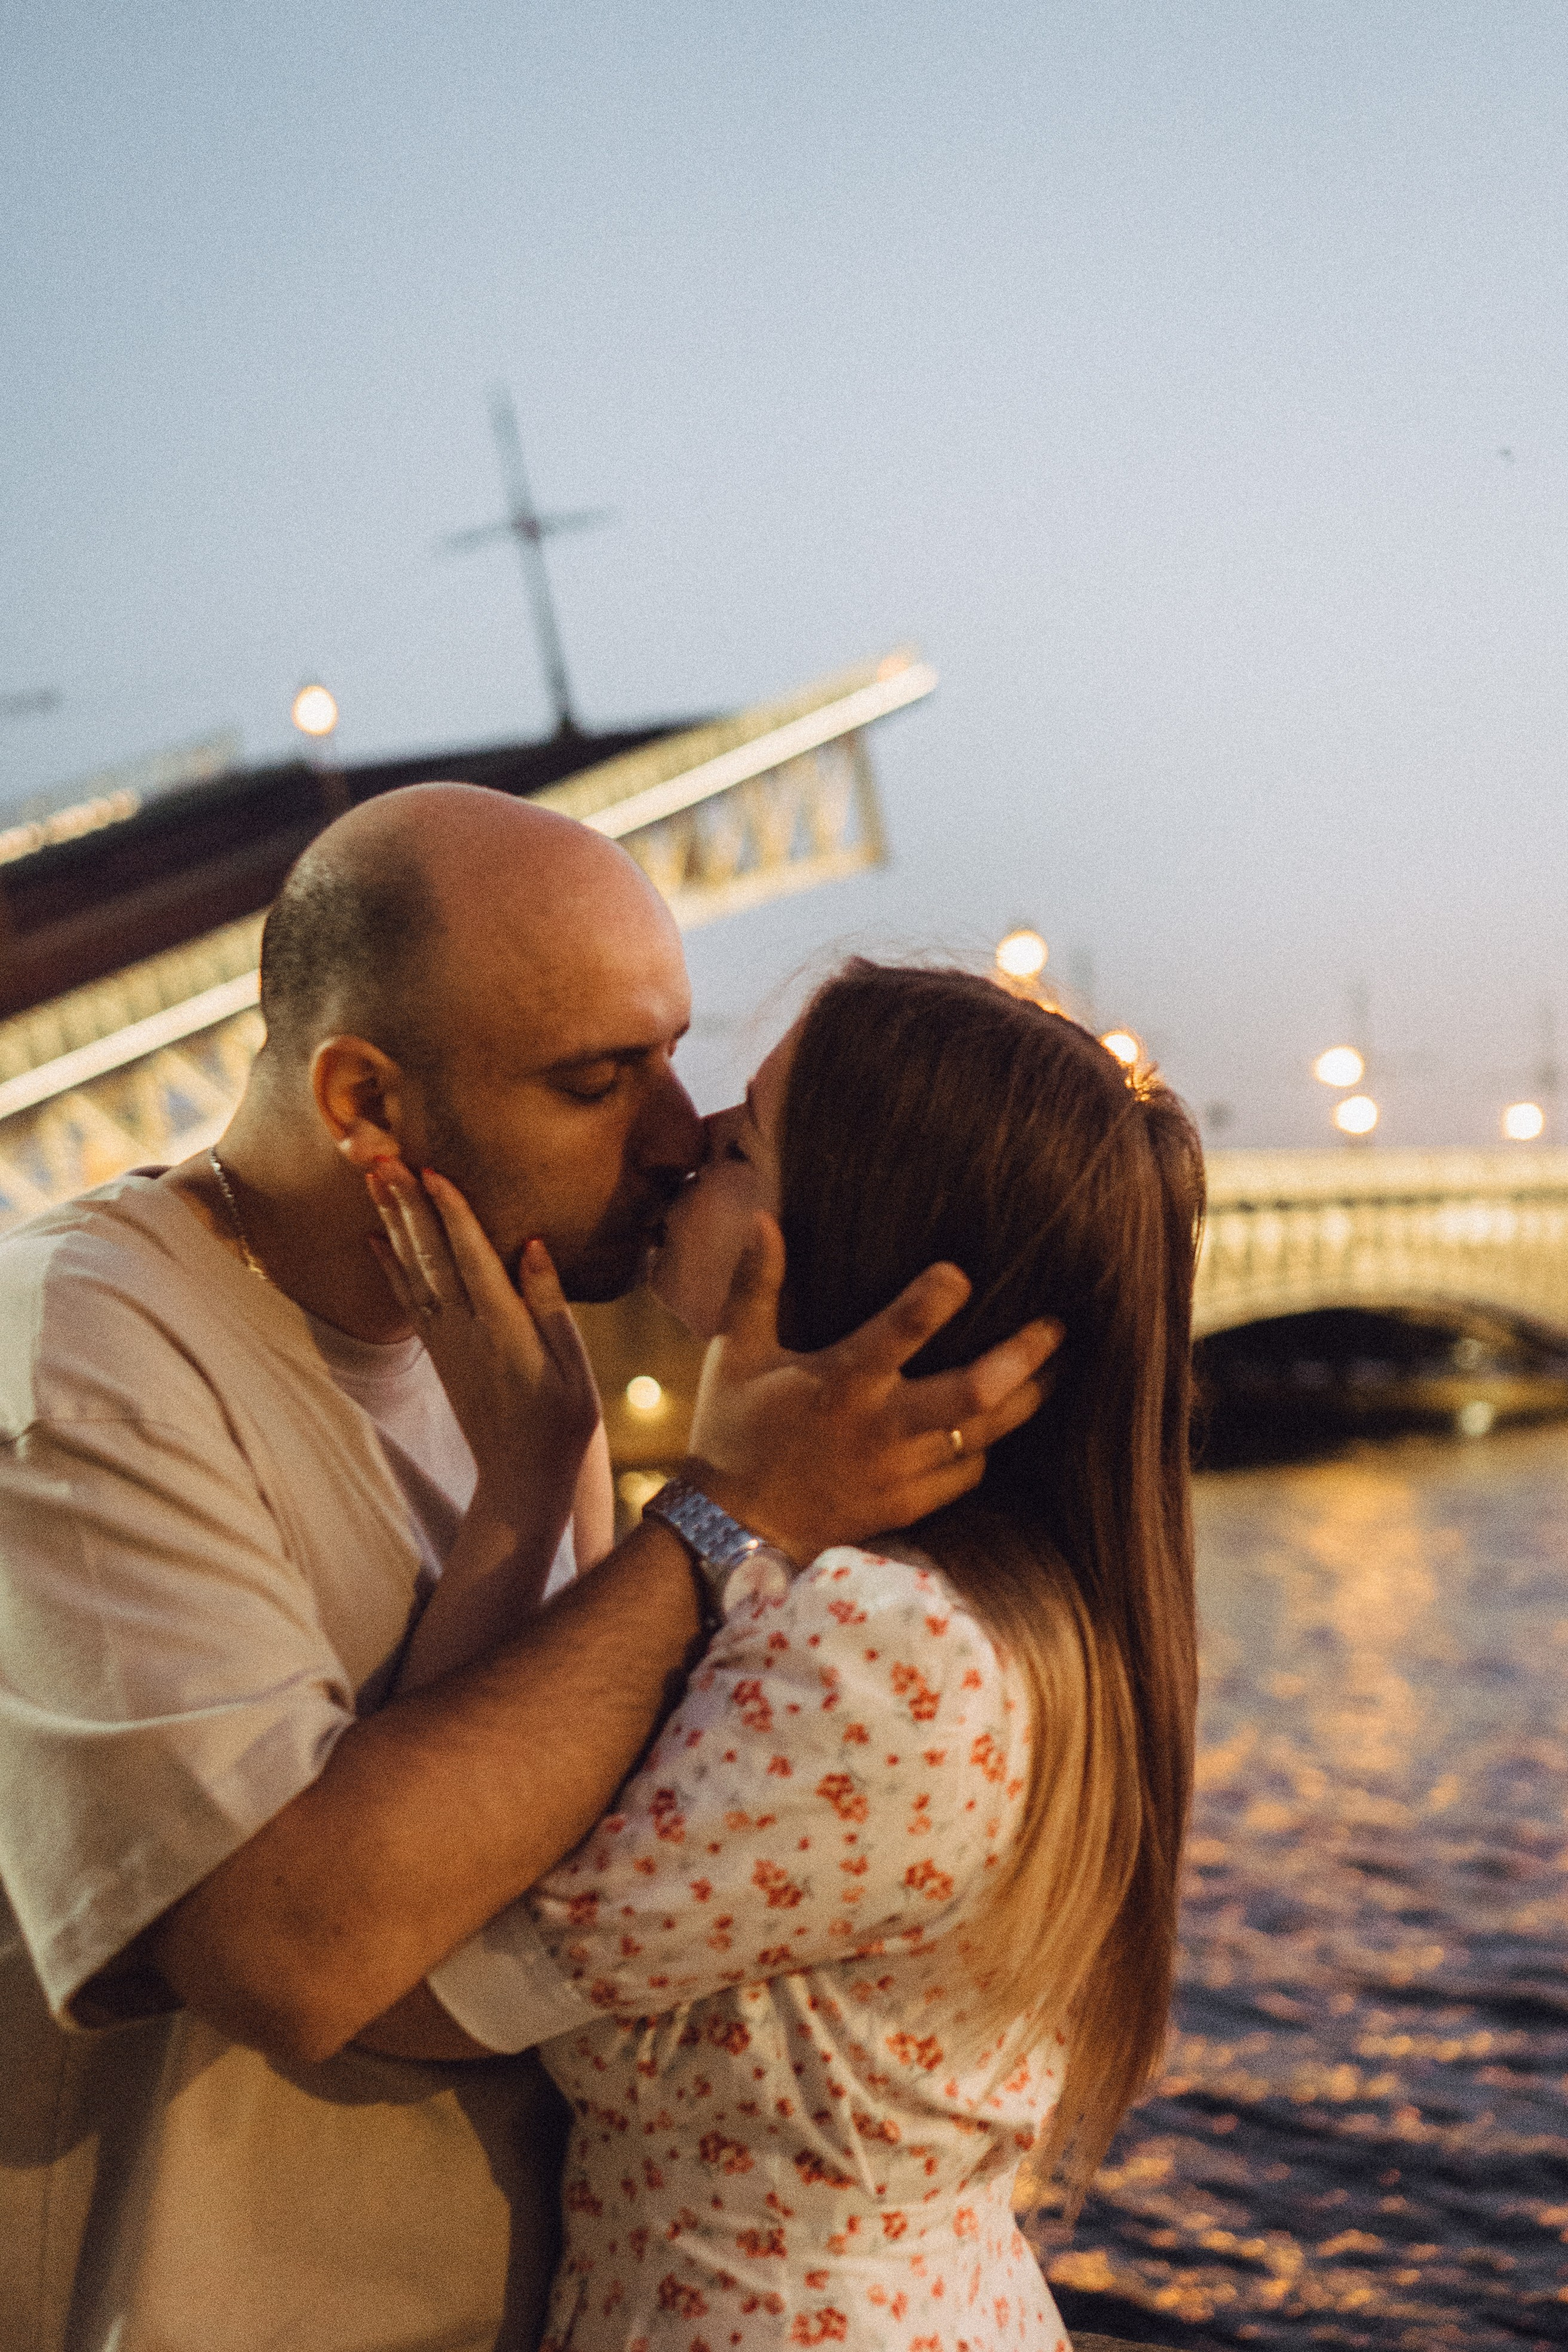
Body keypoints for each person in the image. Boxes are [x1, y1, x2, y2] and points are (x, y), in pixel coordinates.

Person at [0, 790, 1056, 2352]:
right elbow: (287, 1954)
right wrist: (721, 1518)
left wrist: (556, 1489)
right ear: (366, 1098)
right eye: (593, 1080)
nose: (675, 1134)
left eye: (675, 1053)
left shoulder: (517, 1342)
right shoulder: (78, 1350)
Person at [355, 958, 1205, 2352]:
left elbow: (398, 1959)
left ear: (851, 1241)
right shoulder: (976, 1607)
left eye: (742, 1141)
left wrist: (559, 1488)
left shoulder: (881, 1647)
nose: (685, 1145)